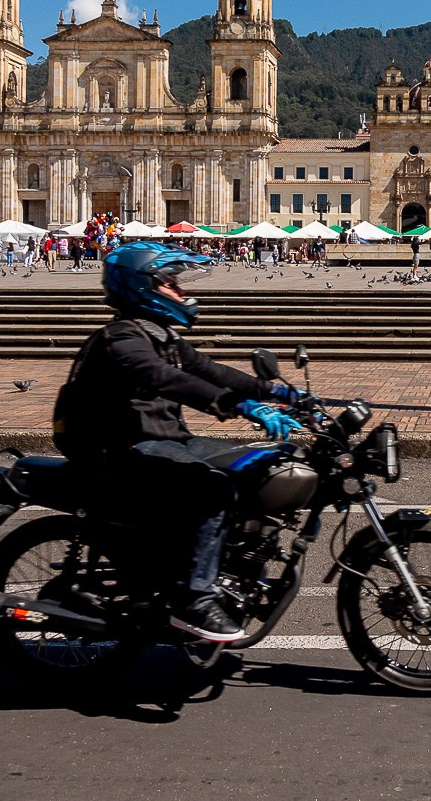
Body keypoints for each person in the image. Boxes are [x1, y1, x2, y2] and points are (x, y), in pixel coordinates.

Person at [51, 242, 298, 642]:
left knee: (252, 466)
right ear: (142, 287)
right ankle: (194, 599)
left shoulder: (159, 335)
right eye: (172, 285)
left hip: (165, 438)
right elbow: (165, 380)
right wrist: (237, 406)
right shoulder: (121, 339)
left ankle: (222, 565)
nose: (182, 292)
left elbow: (210, 370)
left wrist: (277, 393)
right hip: (121, 448)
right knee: (211, 490)